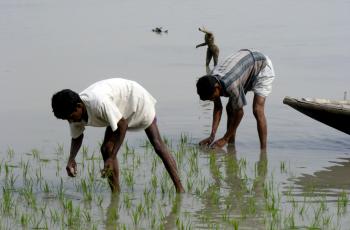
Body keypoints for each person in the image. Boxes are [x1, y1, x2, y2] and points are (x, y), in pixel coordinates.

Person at [51, 78, 185, 193]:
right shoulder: (73, 113)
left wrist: (112, 157)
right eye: (66, 119)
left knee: (157, 145)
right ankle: (115, 194)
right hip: (116, 108)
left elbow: (122, 125)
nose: (70, 121)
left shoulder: (98, 103)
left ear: (79, 106)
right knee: (106, 150)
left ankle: (180, 188)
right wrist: (71, 159)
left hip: (135, 99)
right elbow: (77, 137)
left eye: (70, 117)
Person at [196, 49, 276, 152]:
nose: (212, 99)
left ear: (217, 87)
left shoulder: (232, 84)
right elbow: (218, 107)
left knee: (257, 110)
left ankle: (263, 152)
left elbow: (240, 113)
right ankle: (231, 146)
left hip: (261, 67)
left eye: (211, 97)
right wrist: (212, 135)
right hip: (245, 66)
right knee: (230, 108)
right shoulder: (210, 80)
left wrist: (224, 138)